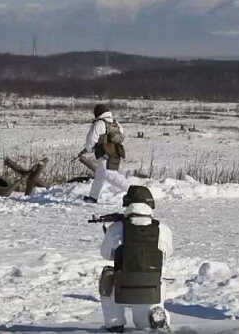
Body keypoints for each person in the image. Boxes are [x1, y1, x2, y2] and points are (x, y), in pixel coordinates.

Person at [98, 185, 173, 333]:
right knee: (143, 323)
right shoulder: (163, 229)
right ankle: (155, 314)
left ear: (128, 203)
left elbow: (106, 254)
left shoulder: (116, 228)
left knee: (107, 276)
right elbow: (167, 254)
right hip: (152, 288)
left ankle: (115, 323)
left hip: (122, 287)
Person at [79, 104, 128, 203]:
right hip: (116, 151)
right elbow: (122, 137)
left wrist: (89, 149)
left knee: (109, 174)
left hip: (103, 152)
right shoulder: (116, 123)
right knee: (100, 175)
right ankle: (93, 197)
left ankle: (131, 190)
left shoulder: (99, 123)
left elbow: (91, 140)